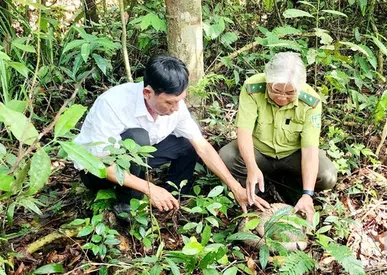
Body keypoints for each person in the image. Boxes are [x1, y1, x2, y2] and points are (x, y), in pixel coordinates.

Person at [74, 55, 270, 214]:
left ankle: (172, 196)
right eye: (169, 102)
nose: (176, 108)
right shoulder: (113, 104)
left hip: (139, 158)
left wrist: (236, 188)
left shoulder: (176, 106)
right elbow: (100, 164)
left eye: (180, 100)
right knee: (137, 138)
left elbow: (202, 147)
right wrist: (150, 188)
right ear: (147, 93)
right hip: (98, 170)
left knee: (187, 144)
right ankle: (127, 204)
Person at [219, 52, 338, 223]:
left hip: (292, 154)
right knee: (226, 158)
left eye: (290, 93)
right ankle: (256, 194)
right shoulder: (253, 88)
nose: (282, 97)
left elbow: (310, 151)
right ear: (267, 81)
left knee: (326, 176)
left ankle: (293, 188)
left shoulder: (311, 101)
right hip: (258, 150)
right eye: (276, 90)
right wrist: (252, 167)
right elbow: (243, 132)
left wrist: (308, 194)